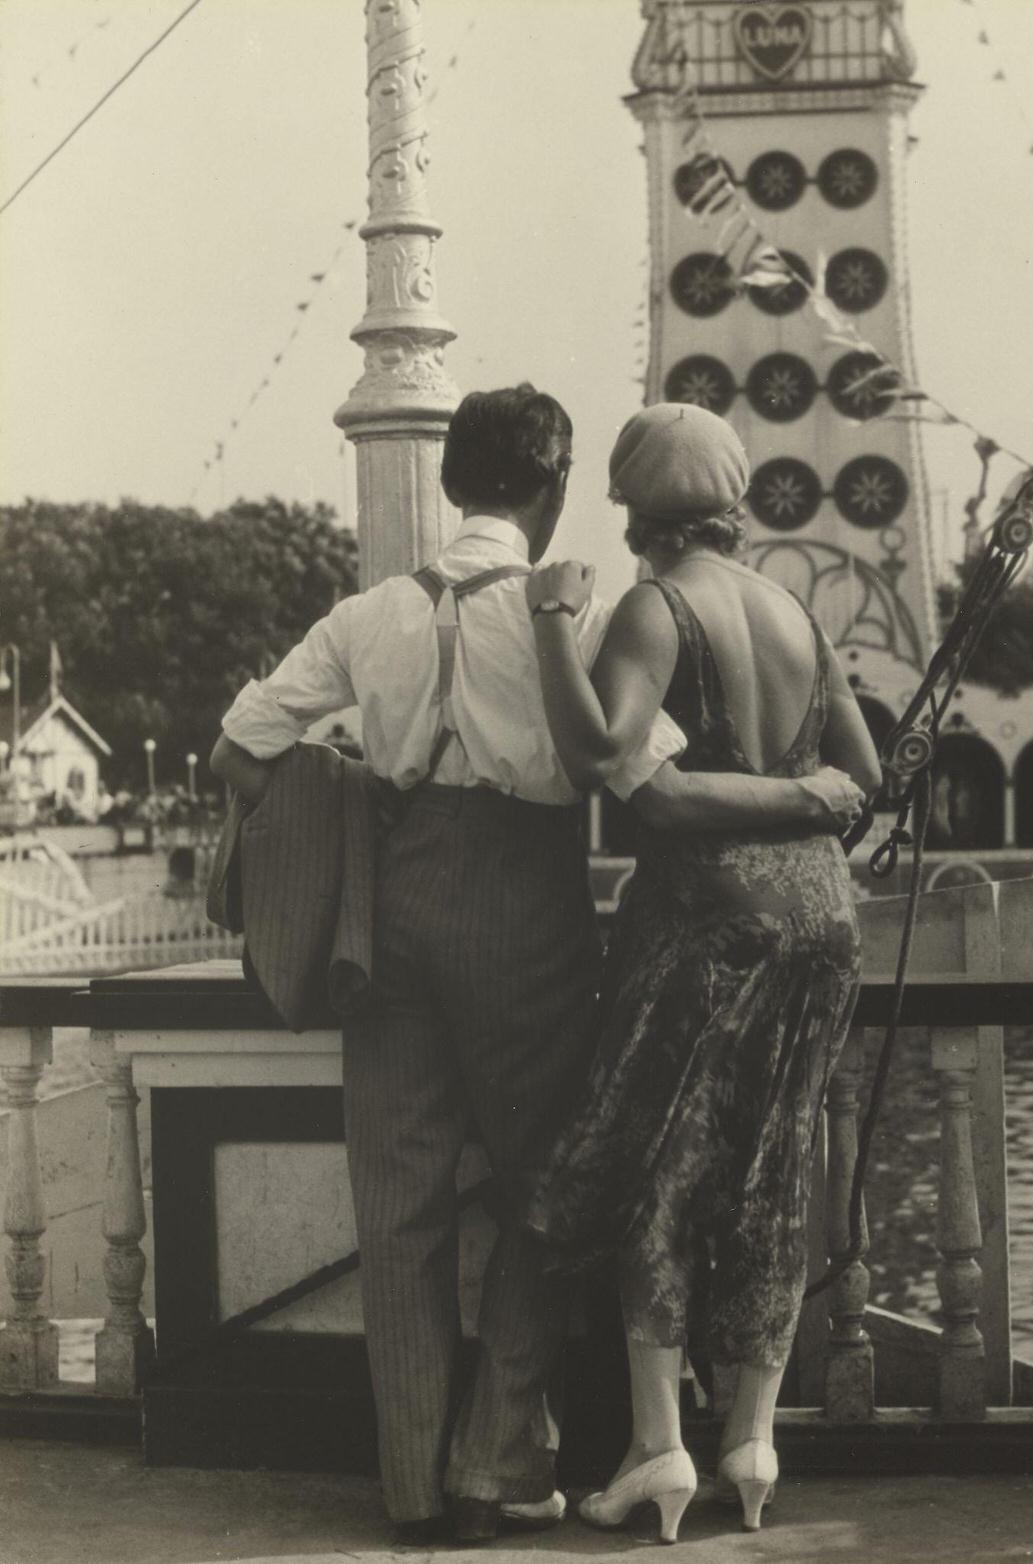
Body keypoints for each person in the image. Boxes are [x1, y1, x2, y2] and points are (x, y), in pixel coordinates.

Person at [210, 385, 864, 1547]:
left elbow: (241, 750)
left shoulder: (365, 617)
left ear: (454, 481)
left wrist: (346, 814)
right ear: (554, 490)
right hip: (527, 915)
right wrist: (811, 797)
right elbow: (642, 777)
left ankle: (411, 1484)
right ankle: (496, 1460)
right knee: (545, 1191)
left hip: (393, 912)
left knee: (398, 1204)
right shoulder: (576, 612)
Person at [523, 402, 883, 1540]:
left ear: (633, 510)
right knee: (775, 1165)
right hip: (823, 920)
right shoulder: (791, 608)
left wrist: (549, 625)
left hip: (705, 921)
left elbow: (605, 760)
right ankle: (753, 1439)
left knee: (661, 1167)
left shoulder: (655, 605)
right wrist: (802, 801)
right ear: (733, 501)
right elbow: (859, 781)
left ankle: (657, 1447)